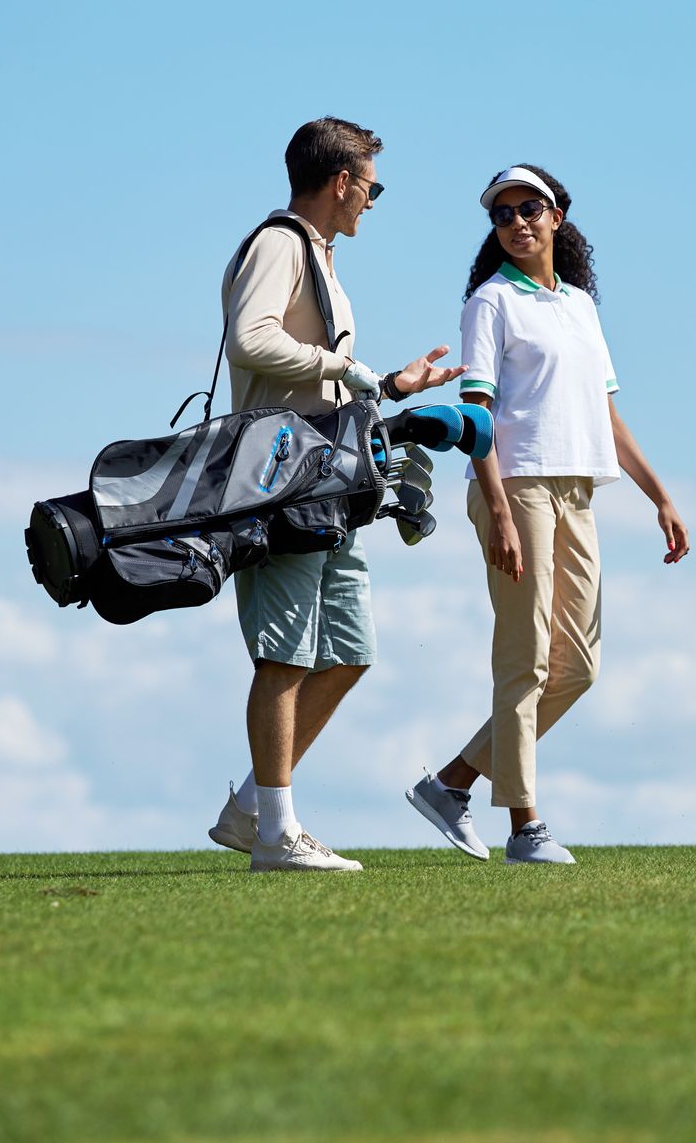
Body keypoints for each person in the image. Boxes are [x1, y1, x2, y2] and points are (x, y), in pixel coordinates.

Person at [407, 165, 689, 865]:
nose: (517, 222)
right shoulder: (490, 303)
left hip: (579, 490)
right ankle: (525, 827)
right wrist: (497, 506)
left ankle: (452, 781)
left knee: (577, 667)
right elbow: (475, 414)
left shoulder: (582, 307)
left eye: (529, 207)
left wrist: (660, 494)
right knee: (525, 657)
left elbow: (607, 413)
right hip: (517, 488)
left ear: (557, 215)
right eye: (502, 215)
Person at [205, 117, 464, 873]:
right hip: (275, 477)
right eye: (371, 186)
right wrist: (349, 372)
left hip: (325, 480)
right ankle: (276, 834)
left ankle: (252, 806)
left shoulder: (318, 256)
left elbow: (317, 374)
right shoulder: (280, 243)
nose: (373, 202)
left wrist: (387, 385)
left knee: (348, 651)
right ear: (341, 181)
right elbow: (250, 339)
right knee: (282, 654)